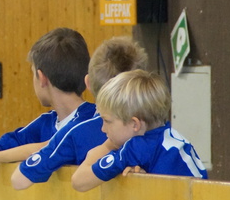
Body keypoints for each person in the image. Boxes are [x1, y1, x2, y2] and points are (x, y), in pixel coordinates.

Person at [0, 28, 94, 187]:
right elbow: (0, 146)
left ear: (42, 78)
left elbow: (52, 146)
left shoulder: (94, 119)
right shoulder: (45, 122)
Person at [10, 36, 148, 190]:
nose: (103, 129)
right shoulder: (161, 131)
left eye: (107, 122)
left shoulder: (79, 131)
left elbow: (18, 180)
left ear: (87, 82)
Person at [71, 70, 207, 192]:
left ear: (135, 124)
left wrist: (109, 146)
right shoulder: (169, 136)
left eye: (107, 121)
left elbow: (79, 181)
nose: (103, 128)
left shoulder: (137, 147)